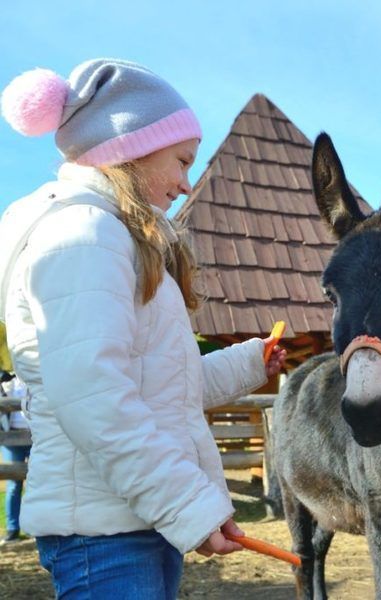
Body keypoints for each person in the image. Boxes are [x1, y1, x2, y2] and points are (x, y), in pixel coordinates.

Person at [0, 59, 286, 598]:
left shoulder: (113, 238)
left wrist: (250, 363)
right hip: (104, 535)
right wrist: (188, 505)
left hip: (131, 519)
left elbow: (153, 386)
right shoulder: (83, 236)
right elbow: (94, 397)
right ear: (128, 147)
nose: (185, 182)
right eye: (180, 161)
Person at [0, 371, 30, 544]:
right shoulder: (8, 381)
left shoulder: (37, 375)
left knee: (39, 481)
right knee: (13, 484)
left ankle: (34, 525)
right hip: (11, 436)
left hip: (35, 434)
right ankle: (13, 528)